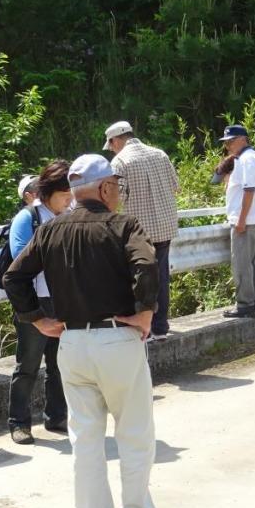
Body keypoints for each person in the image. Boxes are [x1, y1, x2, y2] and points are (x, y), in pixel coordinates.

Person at [3, 154, 174, 508]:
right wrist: (145, 313)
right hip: (117, 339)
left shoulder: (50, 230)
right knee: (133, 432)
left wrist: (38, 320)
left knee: (85, 438)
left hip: (72, 342)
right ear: (105, 188)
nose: (118, 192)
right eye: (116, 184)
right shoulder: (121, 225)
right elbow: (147, 265)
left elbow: (14, 276)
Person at [5, 162, 72, 445]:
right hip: (34, 301)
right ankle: (19, 422)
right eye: (65, 195)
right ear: (48, 193)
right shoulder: (28, 217)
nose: (70, 200)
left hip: (62, 299)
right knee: (28, 364)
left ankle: (56, 417)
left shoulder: (69, 215)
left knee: (60, 364)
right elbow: (21, 259)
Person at [104, 120, 180, 342]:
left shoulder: (120, 162)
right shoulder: (160, 154)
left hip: (138, 232)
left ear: (115, 140)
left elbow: (116, 200)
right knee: (161, 277)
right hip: (165, 227)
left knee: (140, 280)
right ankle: (160, 327)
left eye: (111, 146)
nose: (112, 150)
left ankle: (142, 328)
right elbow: (176, 186)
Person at [219, 124, 255, 318]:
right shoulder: (250, 157)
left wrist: (241, 220)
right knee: (254, 263)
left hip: (246, 221)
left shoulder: (247, 159)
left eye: (230, 141)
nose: (228, 146)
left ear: (242, 139)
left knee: (241, 264)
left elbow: (249, 190)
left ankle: (245, 305)